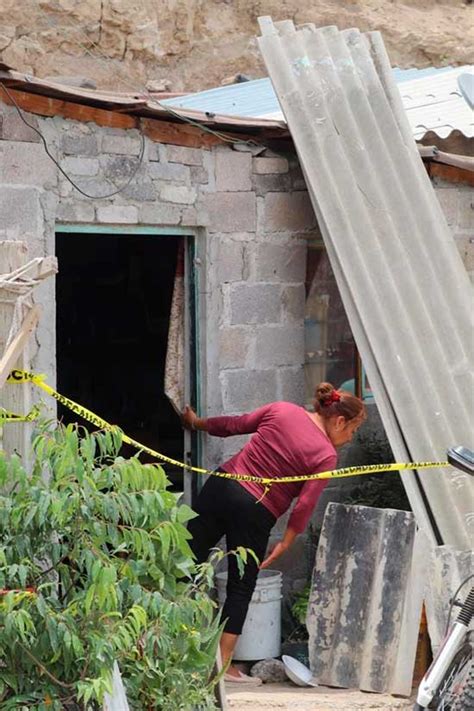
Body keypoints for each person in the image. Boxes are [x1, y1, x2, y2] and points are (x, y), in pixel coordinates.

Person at [181, 382, 366, 683]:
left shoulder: (282, 410)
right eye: (352, 430)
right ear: (339, 420)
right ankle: (223, 665)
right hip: (255, 509)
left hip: (222, 484)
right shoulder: (325, 455)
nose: (349, 438)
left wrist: (195, 422)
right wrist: (287, 541)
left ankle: (149, 637)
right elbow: (304, 504)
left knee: (185, 559)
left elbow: (234, 424)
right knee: (242, 586)